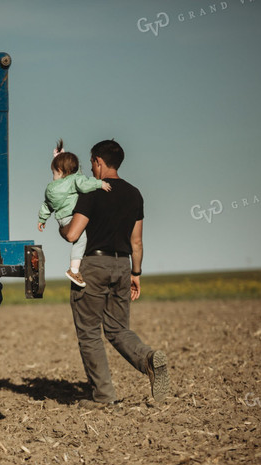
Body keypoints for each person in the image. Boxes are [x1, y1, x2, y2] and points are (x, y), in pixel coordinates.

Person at [59, 139, 169, 408]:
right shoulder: (135, 194)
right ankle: (147, 358)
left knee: (89, 333)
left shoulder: (93, 190)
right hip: (122, 266)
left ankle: (104, 396)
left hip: (94, 266)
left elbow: (73, 233)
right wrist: (136, 272)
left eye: (92, 163)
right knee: (118, 329)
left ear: (98, 161)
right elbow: (137, 242)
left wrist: (61, 226)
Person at [37, 139, 111, 287]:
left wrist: (42, 219)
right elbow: (83, 183)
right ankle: (74, 269)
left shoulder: (51, 188)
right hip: (72, 217)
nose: (53, 175)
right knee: (81, 240)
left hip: (61, 220)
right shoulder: (74, 180)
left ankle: (75, 268)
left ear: (59, 171)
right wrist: (99, 183)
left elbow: (46, 205)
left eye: (54, 172)